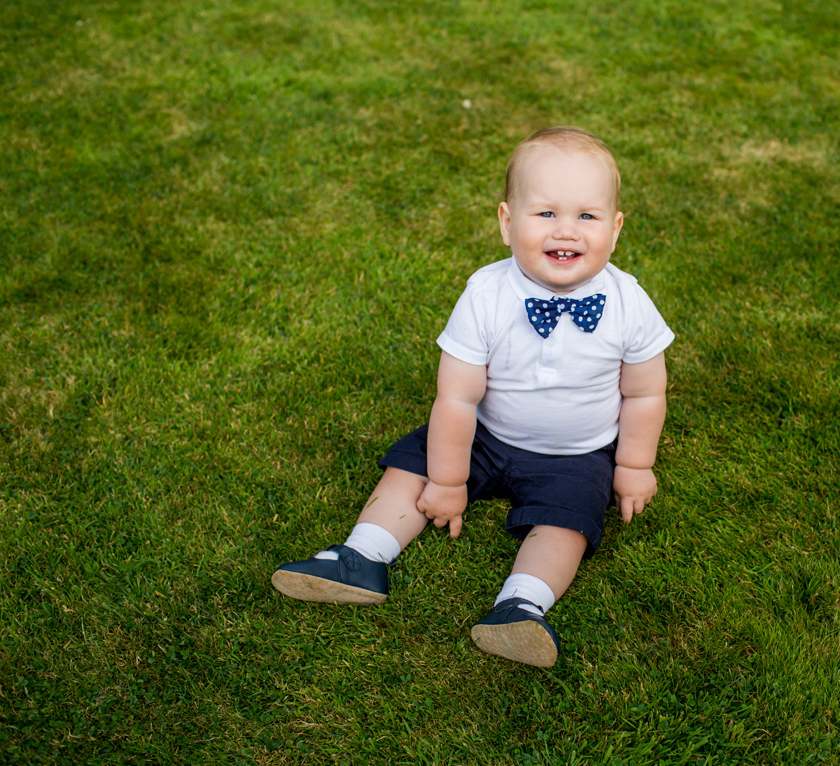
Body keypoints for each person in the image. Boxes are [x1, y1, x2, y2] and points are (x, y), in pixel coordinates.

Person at [271, 127, 674, 668]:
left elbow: (646, 391)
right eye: (546, 214)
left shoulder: (629, 301)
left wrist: (633, 463)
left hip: (576, 452)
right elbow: (457, 398)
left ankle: (522, 605)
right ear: (507, 223)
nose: (567, 231)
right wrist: (447, 478)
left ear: (616, 228)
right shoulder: (487, 294)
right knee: (413, 463)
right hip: (486, 432)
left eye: (587, 216)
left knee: (569, 519)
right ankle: (363, 555)